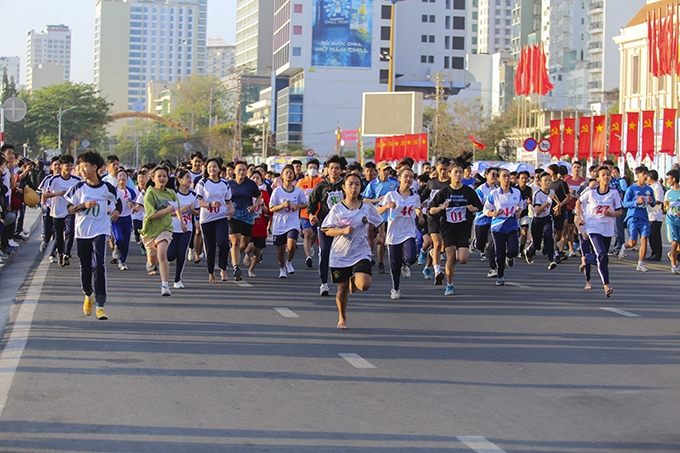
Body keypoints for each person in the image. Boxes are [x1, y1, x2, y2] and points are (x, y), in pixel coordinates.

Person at [321, 173, 385, 330]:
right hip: (340, 255)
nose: (354, 187)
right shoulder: (337, 209)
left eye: (357, 184)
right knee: (342, 290)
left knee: (364, 285)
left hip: (361, 252)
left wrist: (382, 235)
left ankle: (354, 277)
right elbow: (327, 230)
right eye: (350, 184)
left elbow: (380, 222)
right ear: (344, 187)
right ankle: (342, 317)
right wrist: (342, 231)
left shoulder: (367, 207)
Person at [64, 151, 122, 320]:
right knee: (86, 267)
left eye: (84, 167)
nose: (81, 170)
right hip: (82, 233)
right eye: (79, 167)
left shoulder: (107, 188)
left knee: (99, 265)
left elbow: (117, 201)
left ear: (94, 168)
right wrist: (84, 205)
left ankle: (100, 305)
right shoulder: (78, 187)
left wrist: (117, 210)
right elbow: (69, 209)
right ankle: (88, 294)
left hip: (100, 230)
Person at [429, 163, 482, 295]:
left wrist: (472, 209)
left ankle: (451, 264)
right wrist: (442, 207)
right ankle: (450, 285)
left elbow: (479, 207)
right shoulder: (444, 192)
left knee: (463, 259)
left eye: (460, 172)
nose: (458, 175)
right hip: (448, 228)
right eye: (455, 172)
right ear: (450, 174)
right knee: (450, 257)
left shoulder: (468, 191)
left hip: (463, 228)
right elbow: (431, 209)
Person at [575, 166, 623, 297]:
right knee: (601, 254)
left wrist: (611, 214)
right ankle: (606, 285)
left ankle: (587, 258)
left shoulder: (614, 193)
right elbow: (578, 202)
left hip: (607, 228)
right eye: (603, 175)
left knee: (603, 258)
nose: (606, 177)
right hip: (592, 226)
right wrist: (579, 217)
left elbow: (620, 211)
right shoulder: (590, 191)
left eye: (608, 175)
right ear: (598, 178)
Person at [378, 166, 424, 299]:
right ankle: (395, 289)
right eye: (406, 176)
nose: (408, 179)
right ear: (399, 178)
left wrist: (420, 217)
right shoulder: (391, 195)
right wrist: (387, 206)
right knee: (394, 264)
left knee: (411, 257)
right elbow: (378, 211)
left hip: (408, 230)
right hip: (393, 232)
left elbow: (417, 209)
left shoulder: (415, 196)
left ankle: (406, 264)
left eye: (411, 177)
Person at [141, 166, 186, 296]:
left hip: (165, 228)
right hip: (150, 230)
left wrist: (181, 222)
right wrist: (166, 210)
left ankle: (165, 286)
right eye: (159, 176)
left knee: (162, 254)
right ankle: (150, 263)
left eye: (164, 176)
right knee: (152, 261)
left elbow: (176, 208)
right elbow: (150, 215)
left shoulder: (171, 192)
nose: (162, 178)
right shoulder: (150, 193)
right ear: (153, 178)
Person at [308, 155, 346, 296]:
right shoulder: (321, 186)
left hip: (343, 226)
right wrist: (312, 215)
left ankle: (343, 279)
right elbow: (311, 205)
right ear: (327, 170)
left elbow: (356, 201)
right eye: (331, 168)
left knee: (342, 254)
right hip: (325, 224)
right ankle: (324, 283)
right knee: (324, 252)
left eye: (337, 168)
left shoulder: (347, 184)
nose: (334, 171)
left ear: (341, 170)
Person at [195, 158, 235, 283]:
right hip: (207, 219)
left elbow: (228, 202)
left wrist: (232, 210)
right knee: (210, 245)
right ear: (206, 169)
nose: (212, 169)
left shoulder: (225, 183)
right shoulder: (202, 183)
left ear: (219, 168)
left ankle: (223, 268)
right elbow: (199, 202)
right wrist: (210, 204)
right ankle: (211, 272)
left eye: (214, 166)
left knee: (223, 243)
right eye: (209, 167)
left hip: (221, 217)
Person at [483, 168, 523, 286]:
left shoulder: (516, 192)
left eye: (508, 176)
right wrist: (495, 213)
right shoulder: (494, 194)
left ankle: (510, 257)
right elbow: (486, 210)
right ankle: (500, 275)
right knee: (499, 252)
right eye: (504, 176)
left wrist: (519, 213)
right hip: (498, 227)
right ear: (499, 179)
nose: (507, 178)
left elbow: (521, 205)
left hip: (511, 225)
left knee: (514, 250)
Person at [270, 164, 308, 278]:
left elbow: (306, 204)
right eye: (286, 173)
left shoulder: (298, 191)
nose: (289, 175)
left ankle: (289, 262)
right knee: (281, 249)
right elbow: (271, 208)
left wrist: (298, 206)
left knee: (291, 246)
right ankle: (282, 269)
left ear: (294, 175)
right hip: (279, 224)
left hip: (293, 223)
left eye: (291, 173)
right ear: (282, 175)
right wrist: (282, 205)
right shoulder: (277, 191)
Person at [227, 160, 263, 280]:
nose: (241, 172)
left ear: (246, 171)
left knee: (244, 244)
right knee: (236, 241)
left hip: (248, 216)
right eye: (239, 170)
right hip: (234, 215)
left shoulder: (251, 184)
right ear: (234, 171)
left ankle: (234, 255)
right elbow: (224, 199)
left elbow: (259, 198)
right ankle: (236, 267)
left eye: (244, 170)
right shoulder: (229, 184)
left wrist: (254, 207)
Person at [44, 154, 81, 267]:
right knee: (59, 235)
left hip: (70, 210)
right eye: (67, 165)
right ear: (61, 166)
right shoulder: (54, 179)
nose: (70, 168)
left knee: (70, 231)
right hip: (57, 211)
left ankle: (67, 254)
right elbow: (46, 194)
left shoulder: (76, 180)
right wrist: (57, 194)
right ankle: (60, 253)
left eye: (71, 165)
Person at [419, 157, 451, 283]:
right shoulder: (432, 183)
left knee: (438, 246)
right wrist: (420, 204)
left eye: (445, 169)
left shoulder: (451, 184)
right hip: (432, 217)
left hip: (447, 218)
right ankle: (438, 271)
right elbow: (422, 197)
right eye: (440, 169)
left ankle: (427, 267)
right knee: (437, 243)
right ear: (436, 169)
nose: (443, 172)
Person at [362, 161, 398, 273]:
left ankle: (399, 262)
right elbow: (365, 199)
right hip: (379, 214)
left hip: (393, 214)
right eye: (384, 170)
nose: (386, 172)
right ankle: (381, 263)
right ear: (378, 171)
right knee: (380, 239)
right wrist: (377, 200)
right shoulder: (373, 184)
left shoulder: (395, 182)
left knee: (395, 239)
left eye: (388, 170)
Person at [619, 165, 656, 272]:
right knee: (632, 243)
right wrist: (636, 202)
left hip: (644, 218)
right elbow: (625, 204)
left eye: (646, 174)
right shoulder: (631, 189)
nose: (645, 176)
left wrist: (652, 201)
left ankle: (640, 264)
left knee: (644, 239)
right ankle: (624, 246)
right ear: (638, 175)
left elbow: (653, 204)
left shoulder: (649, 189)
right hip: (633, 217)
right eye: (643, 174)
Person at [167, 169, 199, 288]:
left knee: (181, 253)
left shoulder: (193, 195)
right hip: (173, 228)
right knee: (171, 255)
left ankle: (177, 280)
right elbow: (167, 212)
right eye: (187, 178)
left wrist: (192, 210)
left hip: (187, 229)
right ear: (180, 180)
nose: (190, 180)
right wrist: (180, 211)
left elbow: (197, 213)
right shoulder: (173, 194)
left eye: (190, 178)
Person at [524, 172, 559, 270]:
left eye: (549, 180)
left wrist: (558, 205)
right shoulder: (537, 194)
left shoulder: (551, 191)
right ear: (540, 182)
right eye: (545, 180)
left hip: (547, 218)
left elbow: (554, 196)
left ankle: (551, 260)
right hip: (537, 220)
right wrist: (547, 202)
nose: (548, 182)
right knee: (537, 244)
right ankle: (529, 252)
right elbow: (538, 211)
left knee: (549, 236)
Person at [243, 169, 270, 277]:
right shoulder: (246, 191)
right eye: (253, 177)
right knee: (249, 246)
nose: (255, 180)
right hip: (249, 223)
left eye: (257, 178)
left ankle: (251, 270)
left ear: (261, 180)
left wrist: (262, 205)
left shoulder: (264, 194)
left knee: (258, 252)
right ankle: (247, 254)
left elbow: (268, 211)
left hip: (260, 224)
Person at [296, 158, 323, 267]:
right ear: (307, 169)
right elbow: (297, 195)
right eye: (310, 168)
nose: (312, 170)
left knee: (314, 234)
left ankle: (310, 247)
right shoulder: (301, 182)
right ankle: (308, 257)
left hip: (318, 212)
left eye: (315, 168)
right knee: (307, 234)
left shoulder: (321, 182)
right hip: (305, 212)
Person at [474, 167, 499, 277]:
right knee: (480, 244)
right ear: (486, 175)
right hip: (481, 220)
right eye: (492, 174)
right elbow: (476, 204)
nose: (494, 177)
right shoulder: (481, 189)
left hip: (494, 220)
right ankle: (477, 243)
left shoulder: (499, 189)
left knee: (493, 243)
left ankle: (493, 267)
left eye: (496, 175)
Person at [111, 169, 137, 270]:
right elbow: (108, 203)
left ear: (127, 178)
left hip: (127, 219)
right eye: (120, 175)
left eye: (124, 176)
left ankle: (122, 261)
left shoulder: (131, 192)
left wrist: (132, 206)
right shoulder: (113, 190)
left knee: (126, 243)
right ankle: (117, 248)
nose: (122, 177)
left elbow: (135, 206)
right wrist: (109, 210)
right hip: (116, 219)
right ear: (116, 178)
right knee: (119, 239)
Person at [38, 156, 61, 260]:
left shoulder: (65, 179)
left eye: (59, 165)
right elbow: (44, 193)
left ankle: (52, 253)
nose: (57, 167)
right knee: (48, 232)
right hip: (49, 208)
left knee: (58, 232)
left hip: (59, 210)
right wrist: (42, 205)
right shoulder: (48, 179)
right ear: (51, 167)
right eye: (55, 165)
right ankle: (46, 240)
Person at [547, 164, 571, 261]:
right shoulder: (548, 184)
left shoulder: (562, 183)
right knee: (552, 232)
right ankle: (555, 253)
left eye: (549, 171)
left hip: (561, 211)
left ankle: (552, 245)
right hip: (550, 210)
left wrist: (560, 205)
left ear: (552, 172)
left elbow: (569, 197)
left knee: (559, 234)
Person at [564, 161, 586, 257]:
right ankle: (571, 249)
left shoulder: (584, 181)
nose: (576, 169)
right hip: (569, 207)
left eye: (578, 167)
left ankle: (580, 246)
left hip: (579, 208)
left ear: (581, 169)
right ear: (572, 169)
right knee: (570, 228)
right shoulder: (567, 181)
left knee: (579, 228)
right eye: (575, 167)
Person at [663, 169, 680, 274]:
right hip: (671, 221)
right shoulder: (668, 193)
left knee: (678, 247)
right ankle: (674, 266)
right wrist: (665, 205)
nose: (667, 181)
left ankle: (672, 255)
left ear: (674, 179)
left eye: (668, 179)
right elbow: (666, 209)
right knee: (674, 243)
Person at [647, 170, 664, 261]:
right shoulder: (651, 187)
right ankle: (653, 253)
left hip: (656, 215)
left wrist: (651, 201)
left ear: (650, 177)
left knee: (655, 236)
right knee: (651, 236)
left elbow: (660, 200)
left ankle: (657, 254)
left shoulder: (657, 187)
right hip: (650, 214)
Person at [132, 170, 148, 256]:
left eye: (143, 177)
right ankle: (137, 236)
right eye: (139, 177)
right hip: (136, 215)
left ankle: (143, 247)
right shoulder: (134, 190)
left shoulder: (149, 190)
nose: (141, 179)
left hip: (146, 215)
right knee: (137, 231)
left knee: (144, 233)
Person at [517, 170, 533, 255]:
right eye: (522, 178)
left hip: (525, 213)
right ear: (519, 179)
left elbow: (532, 200)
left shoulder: (529, 189)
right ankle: (514, 246)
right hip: (516, 214)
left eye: (526, 178)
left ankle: (521, 250)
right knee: (517, 233)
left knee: (525, 231)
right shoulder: (515, 189)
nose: (524, 180)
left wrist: (530, 201)